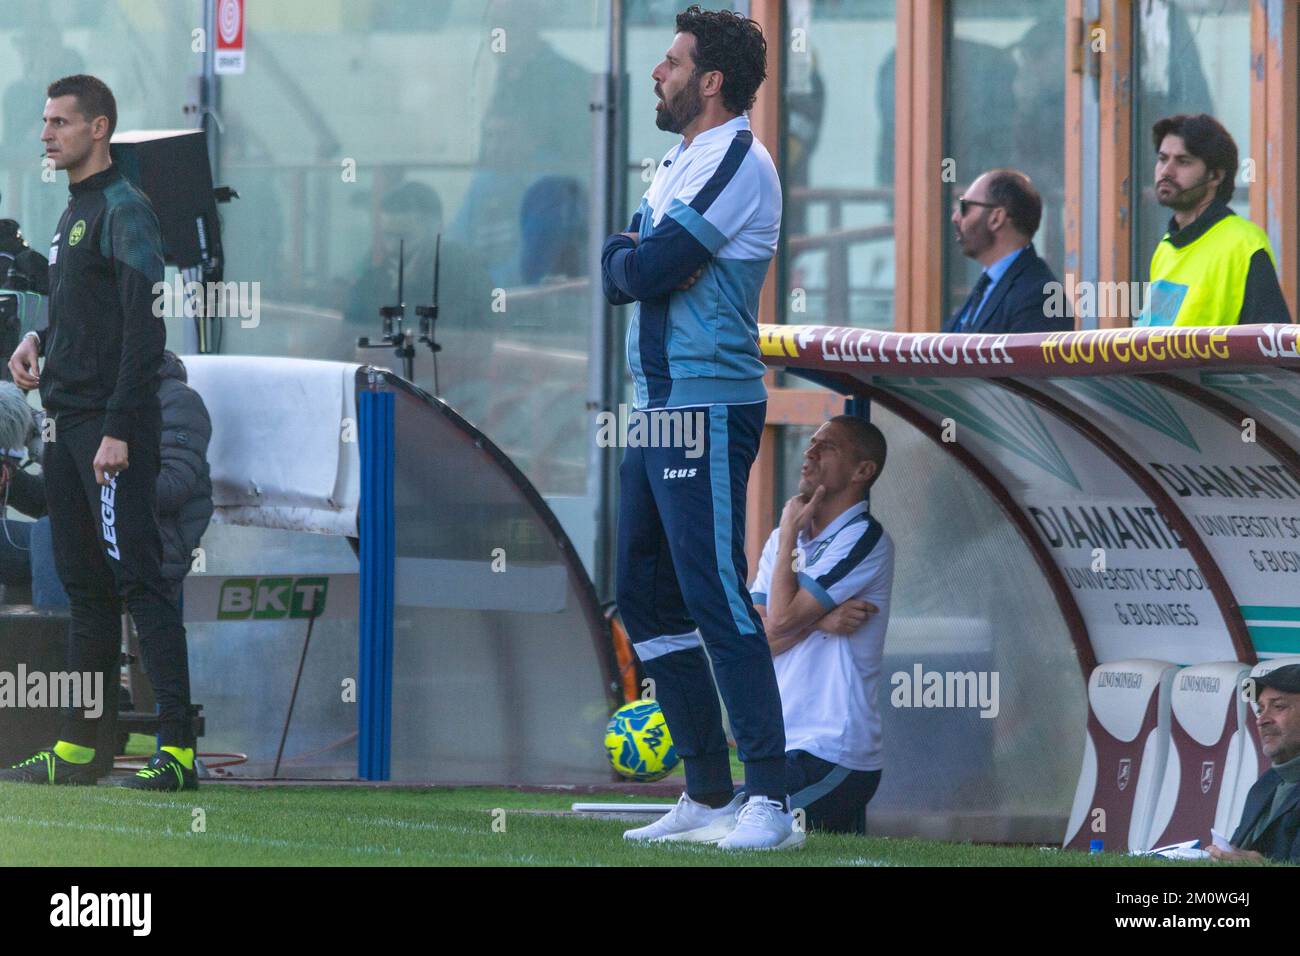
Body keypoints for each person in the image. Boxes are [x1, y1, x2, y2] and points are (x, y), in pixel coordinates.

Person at [604, 6, 795, 849]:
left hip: (707, 408)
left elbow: (641, 267)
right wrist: (632, 263)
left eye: (672, 62)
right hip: (655, 408)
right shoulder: (682, 160)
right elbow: (641, 268)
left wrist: (627, 260)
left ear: (709, 81)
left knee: (718, 594)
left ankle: (773, 801)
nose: (658, 72)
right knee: (642, 598)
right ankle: (710, 793)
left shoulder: (737, 161)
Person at [4, 75, 197, 791]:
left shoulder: (126, 209)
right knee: (87, 592)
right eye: (45, 122)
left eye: (60, 122)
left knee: (140, 582)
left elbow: (144, 327)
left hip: (111, 429)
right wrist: (38, 338)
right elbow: (86, 310)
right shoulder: (73, 213)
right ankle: (82, 749)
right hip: (66, 423)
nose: (47, 133)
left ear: (100, 128)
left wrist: (119, 429)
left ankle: (177, 752)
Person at [749, 416, 893, 834]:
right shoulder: (784, 537)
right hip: (781, 746)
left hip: (835, 753)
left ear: (862, 471)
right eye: (810, 442)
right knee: (736, 831)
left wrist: (797, 619)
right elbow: (760, 641)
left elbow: (779, 620)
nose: (809, 452)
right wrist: (820, 621)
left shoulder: (864, 538)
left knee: (749, 835)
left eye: (826, 447)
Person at [1142, 114, 1291, 327]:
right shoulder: (1165, 248)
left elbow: (1271, 349)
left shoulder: (1244, 244)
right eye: (1162, 159)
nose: (1166, 171)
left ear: (1215, 176)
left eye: (1183, 161)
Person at [942, 168, 1070, 335]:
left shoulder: (1041, 297)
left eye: (964, 207)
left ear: (996, 218)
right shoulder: (986, 286)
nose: (955, 217)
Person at [1209, 664, 1300, 864]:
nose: (1262, 720)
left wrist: (1260, 864)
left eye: (1278, 706)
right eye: (1260, 709)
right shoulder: (1267, 783)